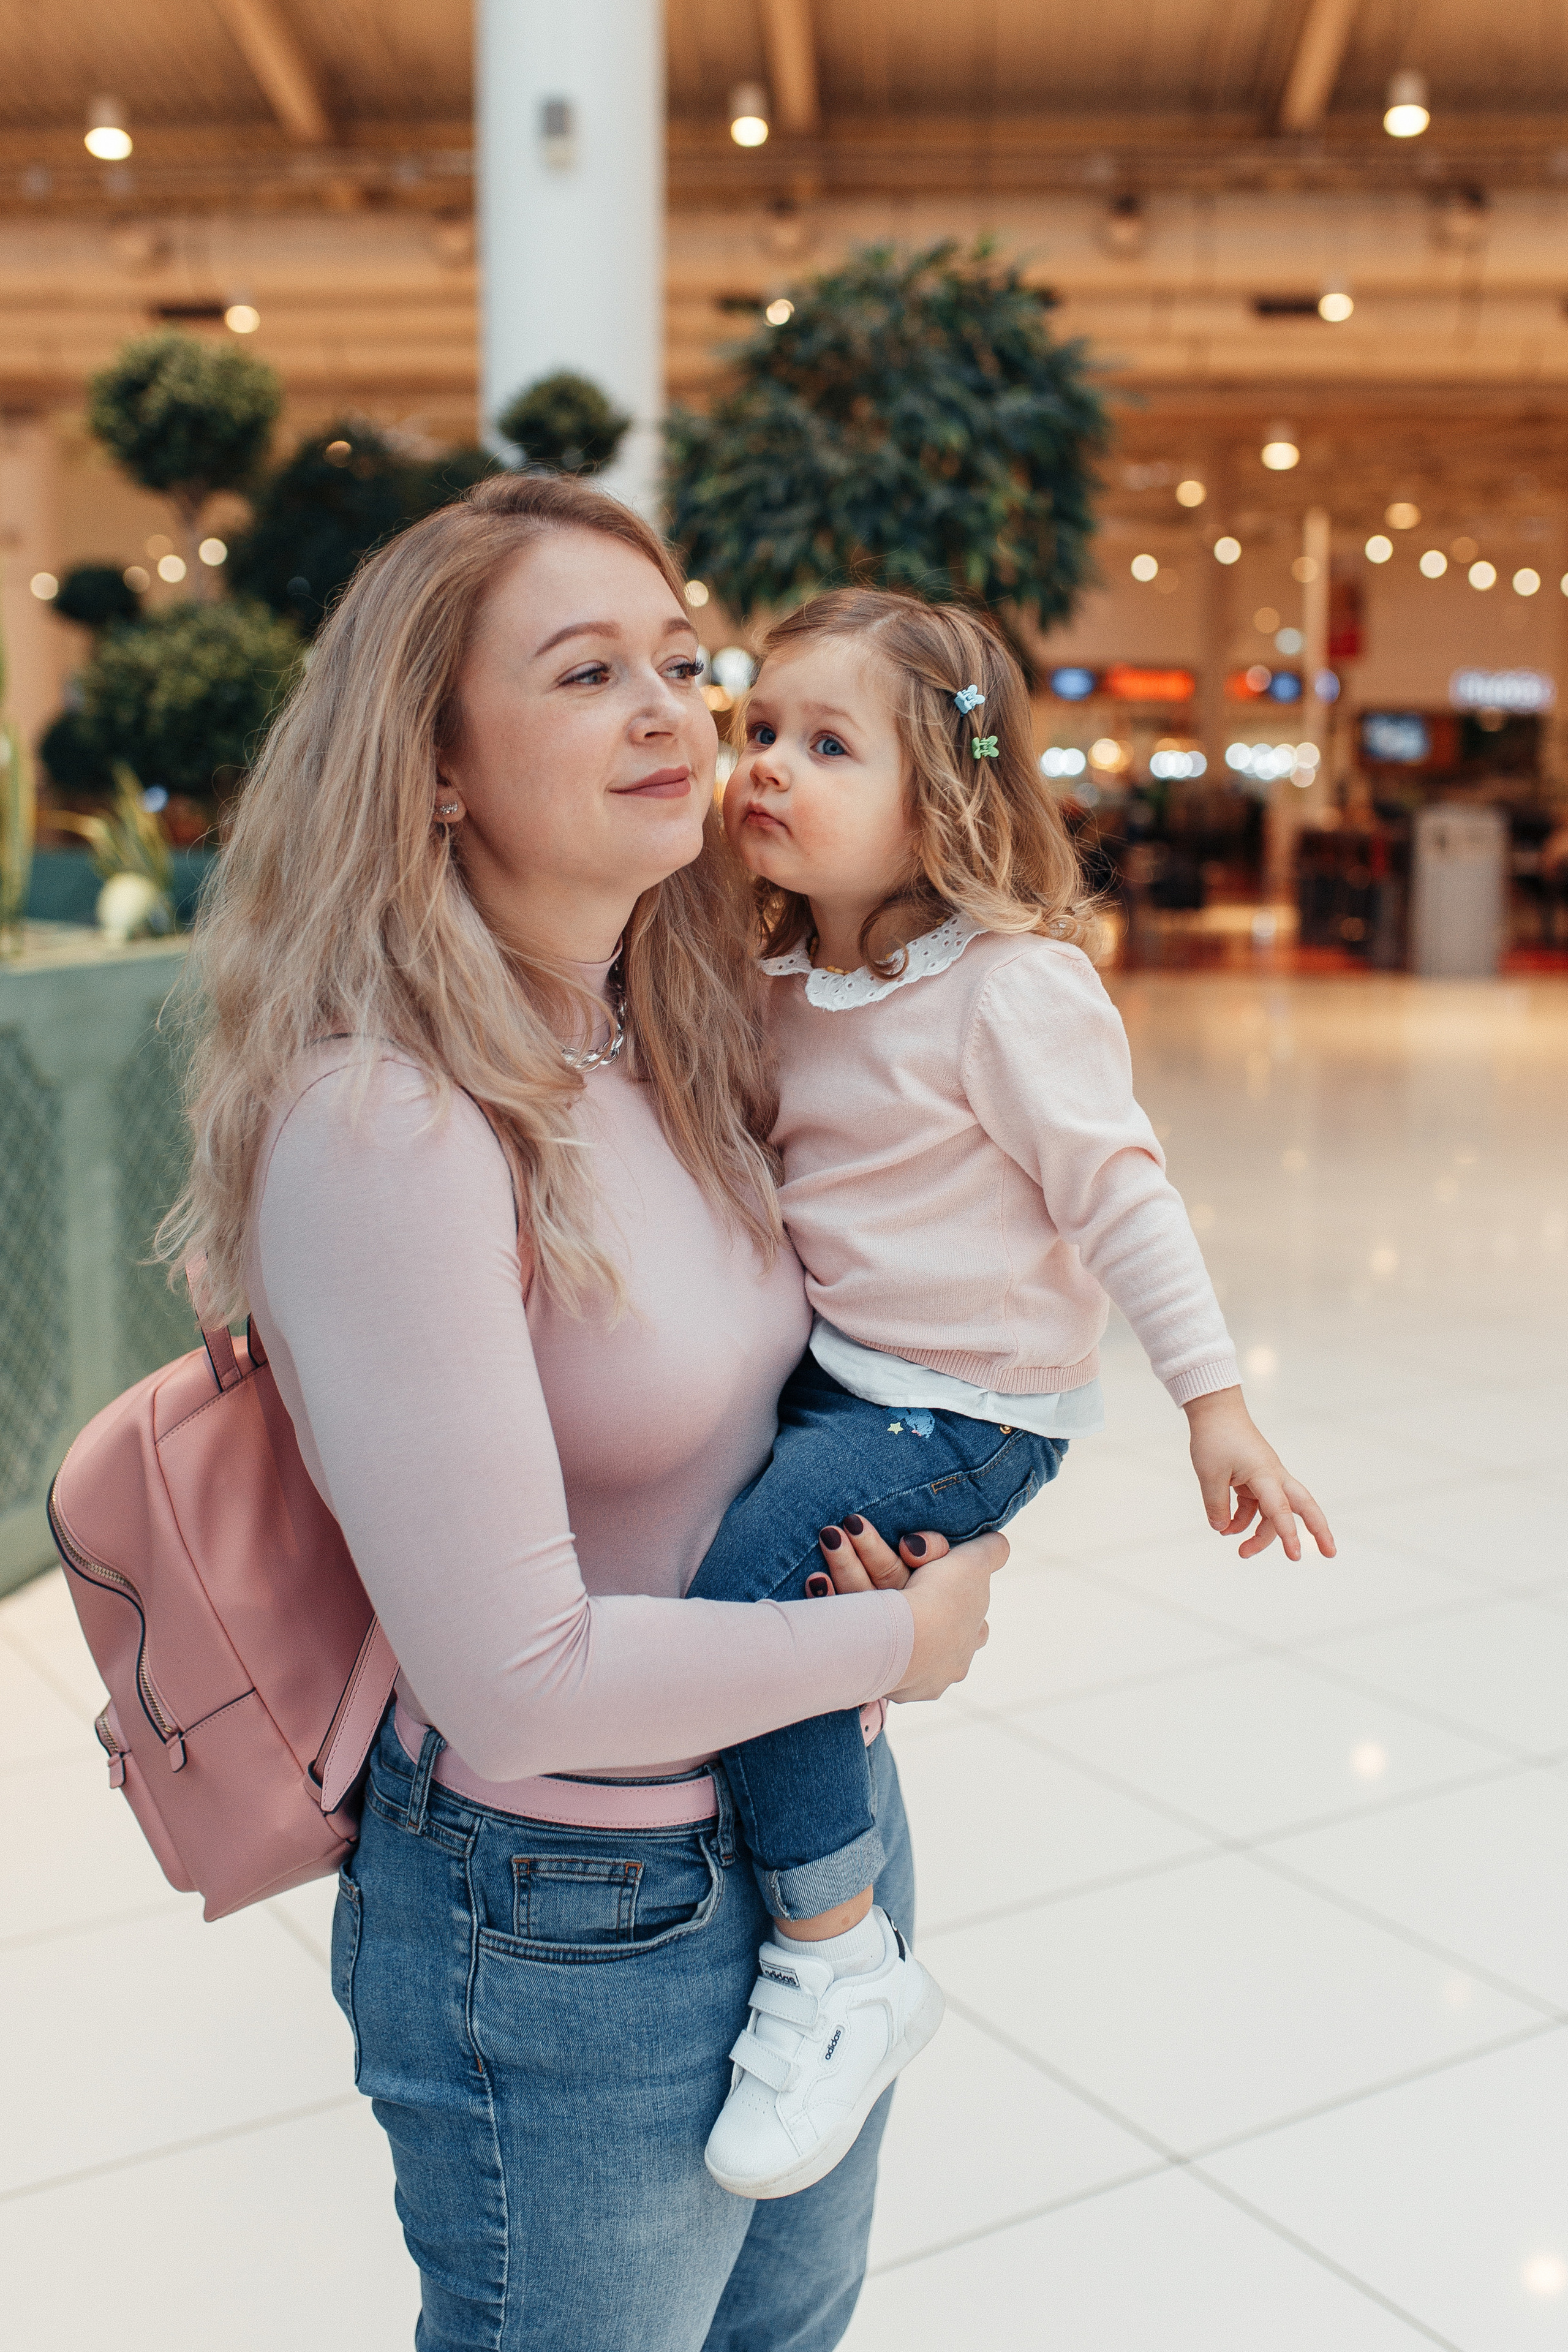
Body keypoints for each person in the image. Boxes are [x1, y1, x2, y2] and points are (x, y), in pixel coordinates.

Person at [159, 475, 1006, 2352]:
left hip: (809, 1837)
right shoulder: (390, 1122)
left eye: (682, 664)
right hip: (568, 1915)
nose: (668, 712)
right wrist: (903, 1637)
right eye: (585, 672)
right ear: (439, 765)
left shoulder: (667, 1033)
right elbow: (517, 1675)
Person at [687, 589, 1336, 2200]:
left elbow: (1123, 1195)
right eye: (759, 730)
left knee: (751, 1602)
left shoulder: (1009, 986)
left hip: (961, 1409)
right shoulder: (780, 976)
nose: (769, 765)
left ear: (945, 799)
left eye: (828, 745)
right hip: (848, 1381)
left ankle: (843, 1967)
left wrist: (1217, 1402)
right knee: (784, 1607)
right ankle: (829, 1852)